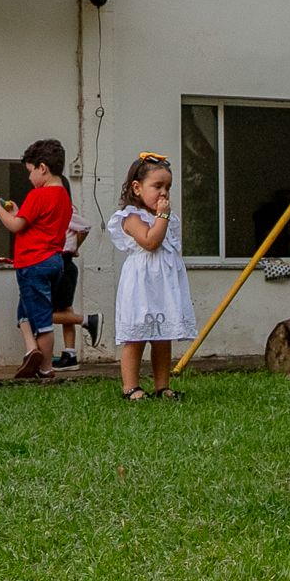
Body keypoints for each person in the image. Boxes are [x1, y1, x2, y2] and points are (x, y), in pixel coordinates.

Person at [107, 152, 196, 400]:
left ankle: (162, 385)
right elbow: (151, 242)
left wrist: (164, 217)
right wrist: (162, 217)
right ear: (137, 188)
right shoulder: (132, 217)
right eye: (157, 186)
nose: (164, 192)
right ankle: (131, 387)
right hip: (142, 284)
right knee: (137, 336)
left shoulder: (165, 217)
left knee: (162, 336)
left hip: (163, 284)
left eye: (168, 187)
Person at [0, 138, 72, 380]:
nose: (29, 178)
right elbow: (30, 222)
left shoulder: (38, 195)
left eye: (31, 171)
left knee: (42, 319)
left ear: (42, 168)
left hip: (33, 263)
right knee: (24, 311)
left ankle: (45, 368)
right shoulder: (63, 196)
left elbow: (14, 226)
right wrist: (15, 211)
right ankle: (31, 350)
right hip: (54, 261)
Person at [48, 174, 102, 370]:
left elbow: (86, 226)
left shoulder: (65, 211)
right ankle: (69, 354)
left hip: (62, 261)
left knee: (41, 314)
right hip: (65, 262)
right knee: (65, 310)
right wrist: (74, 245)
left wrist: (73, 246)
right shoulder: (60, 210)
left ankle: (88, 320)